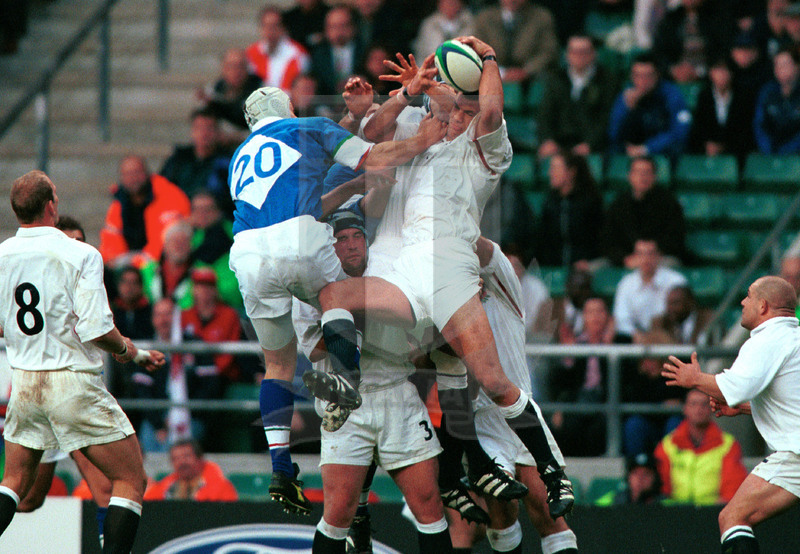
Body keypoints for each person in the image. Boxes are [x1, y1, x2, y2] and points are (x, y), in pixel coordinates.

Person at [304, 37, 575, 520]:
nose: (447, 103)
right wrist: (406, 95)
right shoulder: (419, 128)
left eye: (456, 99)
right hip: (401, 269)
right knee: (337, 296)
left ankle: (549, 469)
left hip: (449, 265)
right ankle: (360, 400)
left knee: (489, 379)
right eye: (443, 96)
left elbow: (489, 111)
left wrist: (490, 58)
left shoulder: (485, 148)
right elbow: (370, 133)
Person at [227, 84, 447, 515]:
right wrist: (423, 139)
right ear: (286, 107)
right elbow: (372, 156)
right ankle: (347, 380)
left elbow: (301, 193)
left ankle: (280, 466)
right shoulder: (307, 126)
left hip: (247, 252)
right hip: (300, 238)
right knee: (336, 296)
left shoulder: (239, 155)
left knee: (277, 365)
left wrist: (349, 185)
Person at [0, 170, 165, 553]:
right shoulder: (81, 254)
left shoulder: (3, 256)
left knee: (14, 483)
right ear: (51, 206)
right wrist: (133, 353)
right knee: (129, 480)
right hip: (71, 381)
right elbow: (96, 331)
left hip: (24, 381)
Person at [293, 208, 453, 553]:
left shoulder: (392, 278)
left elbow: (419, 347)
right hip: (346, 403)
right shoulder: (312, 288)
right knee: (338, 511)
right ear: (328, 248)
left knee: (429, 503)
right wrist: (350, 315)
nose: (351, 246)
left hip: (398, 391)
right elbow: (315, 350)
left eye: (357, 237)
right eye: (340, 239)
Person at [661, 275, 800, 553]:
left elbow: (732, 387)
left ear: (763, 306)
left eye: (748, 296)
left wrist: (695, 379)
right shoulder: (793, 338)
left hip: (795, 453)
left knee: (733, 517)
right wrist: (745, 408)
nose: (742, 301)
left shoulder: (768, 338)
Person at [550, 297, 624, 456]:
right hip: (579, 400)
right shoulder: (576, 343)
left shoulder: (620, 342)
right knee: (568, 425)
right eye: (590, 312)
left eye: (600, 311)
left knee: (600, 427)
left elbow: (622, 383)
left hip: (606, 401)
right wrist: (569, 356)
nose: (595, 316)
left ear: (608, 317)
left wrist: (607, 346)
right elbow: (562, 384)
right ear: (583, 317)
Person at [180, 267, 243, 452]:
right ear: (193, 290)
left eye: (208, 286)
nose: (204, 291)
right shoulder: (184, 315)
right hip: (192, 377)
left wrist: (211, 369)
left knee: (211, 392)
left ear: (215, 290)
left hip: (221, 377)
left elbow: (229, 355)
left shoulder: (229, 314)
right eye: (199, 286)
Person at [654, 389, 748, 505]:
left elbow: (732, 489)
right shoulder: (668, 444)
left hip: (712, 512)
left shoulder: (728, 445)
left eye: (704, 404)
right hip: (674, 513)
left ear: (711, 408)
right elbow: (662, 490)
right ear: (685, 408)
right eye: (693, 404)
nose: (699, 409)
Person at [537, 35, 621, 159]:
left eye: (583, 52)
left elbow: (607, 118)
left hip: (592, 146)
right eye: (574, 52)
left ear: (593, 54)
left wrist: (590, 144)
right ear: (567, 54)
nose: (578, 56)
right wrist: (547, 140)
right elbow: (545, 114)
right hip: (559, 143)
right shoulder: (556, 79)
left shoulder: (608, 81)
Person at [98, 155, 191, 266]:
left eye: (137, 172)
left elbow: (165, 243)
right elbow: (110, 239)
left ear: (147, 173)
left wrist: (135, 263)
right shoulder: (118, 204)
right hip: (130, 263)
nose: (133, 178)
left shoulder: (170, 195)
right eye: (127, 174)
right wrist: (114, 260)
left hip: (160, 264)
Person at [601, 157, 689, 267]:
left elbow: (676, 238)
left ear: (654, 176)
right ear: (630, 176)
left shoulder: (669, 203)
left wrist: (652, 252)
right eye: (638, 172)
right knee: (592, 269)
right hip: (626, 259)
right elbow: (609, 241)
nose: (642, 177)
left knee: (671, 264)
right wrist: (625, 259)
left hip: (659, 258)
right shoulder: (618, 204)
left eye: (647, 172)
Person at [607, 52, 692, 157]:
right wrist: (628, 109)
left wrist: (647, 148)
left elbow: (680, 131)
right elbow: (613, 133)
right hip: (630, 152)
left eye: (647, 76)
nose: (642, 81)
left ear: (657, 75)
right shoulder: (626, 96)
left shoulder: (671, 94)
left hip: (661, 151)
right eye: (637, 75)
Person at [535, 151, 604, 269]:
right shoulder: (550, 203)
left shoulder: (591, 202)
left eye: (555, 168)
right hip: (553, 267)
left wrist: (588, 261)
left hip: (585, 267)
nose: (550, 173)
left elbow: (600, 239)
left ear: (571, 172)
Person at [160, 108, 234, 216]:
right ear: (192, 131)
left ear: (218, 132)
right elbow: (163, 187)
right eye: (199, 128)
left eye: (209, 128)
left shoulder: (228, 161)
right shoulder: (178, 158)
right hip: (181, 216)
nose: (204, 133)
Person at [612, 239, 688, 339]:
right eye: (641, 254)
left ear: (659, 256)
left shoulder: (676, 281)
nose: (646, 258)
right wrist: (636, 334)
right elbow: (621, 319)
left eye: (650, 253)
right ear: (635, 257)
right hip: (637, 341)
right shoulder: (626, 283)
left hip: (672, 338)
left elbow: (686, 317)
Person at [473, 0, 559, 83]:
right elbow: (477, 51)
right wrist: (500, 72)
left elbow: (548, 52)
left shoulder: (542, 17)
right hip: (492, 75)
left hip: (532, 79)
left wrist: (526, 71)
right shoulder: (484, 18)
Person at [688, 56, 756, 160]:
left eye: (725, 70)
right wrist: (708, 144)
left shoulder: (742, 97)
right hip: (707, 150)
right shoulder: (704, 97)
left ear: (731, 73)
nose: (722, 75)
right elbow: (699, 128)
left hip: (736, 151)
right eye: (718, 70)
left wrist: (723, 147)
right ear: (711, 73)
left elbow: (745, 130)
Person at [651, 0, 735, 83]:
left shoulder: (717, 18)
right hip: (674, 75)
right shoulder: (671, 19)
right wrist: (673, 69)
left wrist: (699, 72)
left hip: (708, 77)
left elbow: (722, 51)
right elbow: (659, 51)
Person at [144, 439, 237, 501]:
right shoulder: (165, 488)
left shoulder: (222, 488)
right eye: (176, 459)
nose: (182, 462)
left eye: (187, 456)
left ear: (200, 458)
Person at [245, 6, 309, 92]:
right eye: (266, 26)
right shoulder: (251, 53)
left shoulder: (298, 54)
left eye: (274, 26)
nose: (270, 30)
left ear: (283, 27)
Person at [197, 48, 262, 132]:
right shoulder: (214, 90)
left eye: (241, 66)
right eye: (231, 66)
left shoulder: (260, 91)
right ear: (223, 69)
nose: (236, 71)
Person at [753, 47, 800, 154]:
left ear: (797, 66)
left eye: (784, 65)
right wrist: (768, 148)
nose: (780, 69)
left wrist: (787, 150)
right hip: (770, 153)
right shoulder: (767, 92)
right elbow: (759, 124)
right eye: (777, 65)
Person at [310, 6, 365, 97]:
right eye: (333, 26)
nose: (338, 31)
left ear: (353, 27)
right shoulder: (318, 54)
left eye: (343, 25)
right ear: (326, 29)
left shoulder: (364, 51)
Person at [644, 285, 712, 345]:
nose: (670, 308)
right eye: (668, 303)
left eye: (675, 303)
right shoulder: (660, 323)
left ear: (690, 303)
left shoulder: (707, 319)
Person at [595, 452, 665, 505]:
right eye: (635, 473)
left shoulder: (667, 506)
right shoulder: (612, 501)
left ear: (655, 478)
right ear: (628, 477)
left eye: (646, 474)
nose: (640, 479)